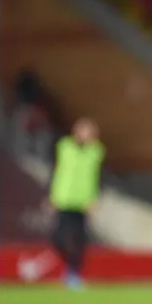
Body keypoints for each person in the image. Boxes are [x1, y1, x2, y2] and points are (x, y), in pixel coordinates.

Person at [48, 118, 104, 289]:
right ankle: (70, 268)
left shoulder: (96, 151)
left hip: (82, 202)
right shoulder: (64, 146)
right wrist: (52, 195)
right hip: (63, 199)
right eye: (83, 130)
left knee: (79, 239)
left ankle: (73, 273)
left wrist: (93, 198)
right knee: (57, 238)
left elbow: (96, 177)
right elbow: (57, 171)